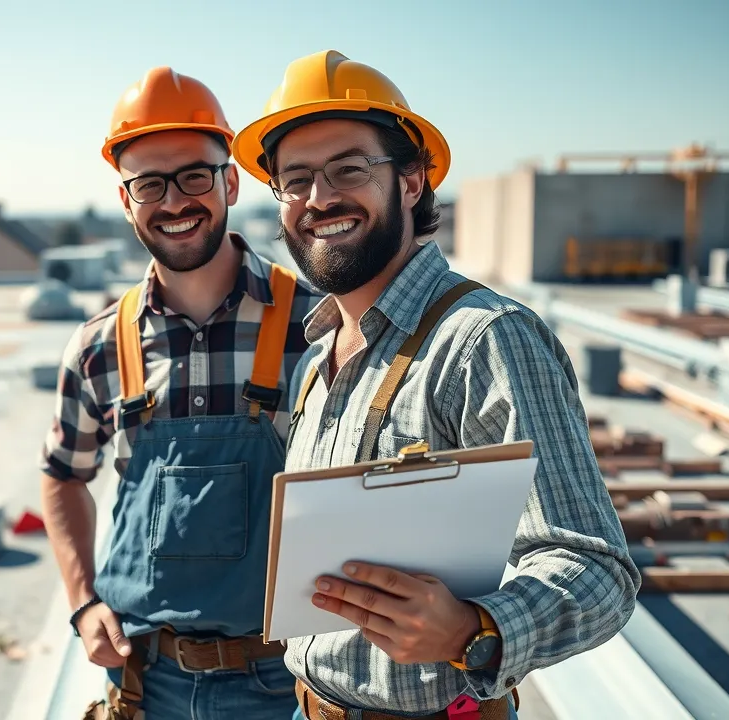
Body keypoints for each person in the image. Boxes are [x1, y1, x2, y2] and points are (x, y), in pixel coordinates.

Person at [229, 50, 641, 720]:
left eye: (349, 169)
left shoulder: (482, 339)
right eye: (295, 179)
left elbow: (596, 571)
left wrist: (475, 631)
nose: (319, 198)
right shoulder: (315, 358)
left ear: (414, 180)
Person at [39, 66, 325, 720]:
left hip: (289, 684)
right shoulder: (98, 347)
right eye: (149, 183)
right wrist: (84, 603)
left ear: (230, 180)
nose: (174, 201)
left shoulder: (318, 327)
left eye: (195, 175)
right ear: (126, 199)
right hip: (145, 684)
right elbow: (61, 476)